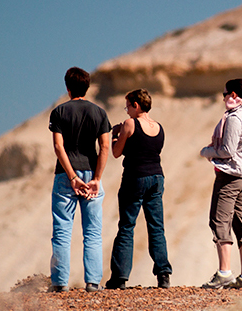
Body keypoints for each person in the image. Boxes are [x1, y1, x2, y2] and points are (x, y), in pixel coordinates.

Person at [48, 67, 111, 293]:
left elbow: (58, 146)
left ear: (67, 88)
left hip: (66, 176)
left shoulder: (59, 112)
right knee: (92, 231)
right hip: (91, 173)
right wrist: (96, 178)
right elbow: (104, 147)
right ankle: (93, 283)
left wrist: (72, 176)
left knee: (62, 230)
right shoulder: (99, 113)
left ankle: (59, 283)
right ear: (88, 87)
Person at [105, 89, 173, 290]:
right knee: (156, 227)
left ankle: (119, 277)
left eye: (127, 106)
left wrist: (115, 135)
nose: (126, 111)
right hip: (157, 177)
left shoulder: (129, 124)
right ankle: (163, 274)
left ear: (136, 105)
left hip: (135, 177)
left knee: (127, 226)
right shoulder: (159, 127)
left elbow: (116, 153)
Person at [200, 78, 242, 290]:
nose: (224, 97)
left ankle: (224, 272)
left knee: (219, 220)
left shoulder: (235, 118)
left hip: (231, 175)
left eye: (225, 93)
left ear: (234, 95)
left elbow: (228, 150)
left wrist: (207, 152)